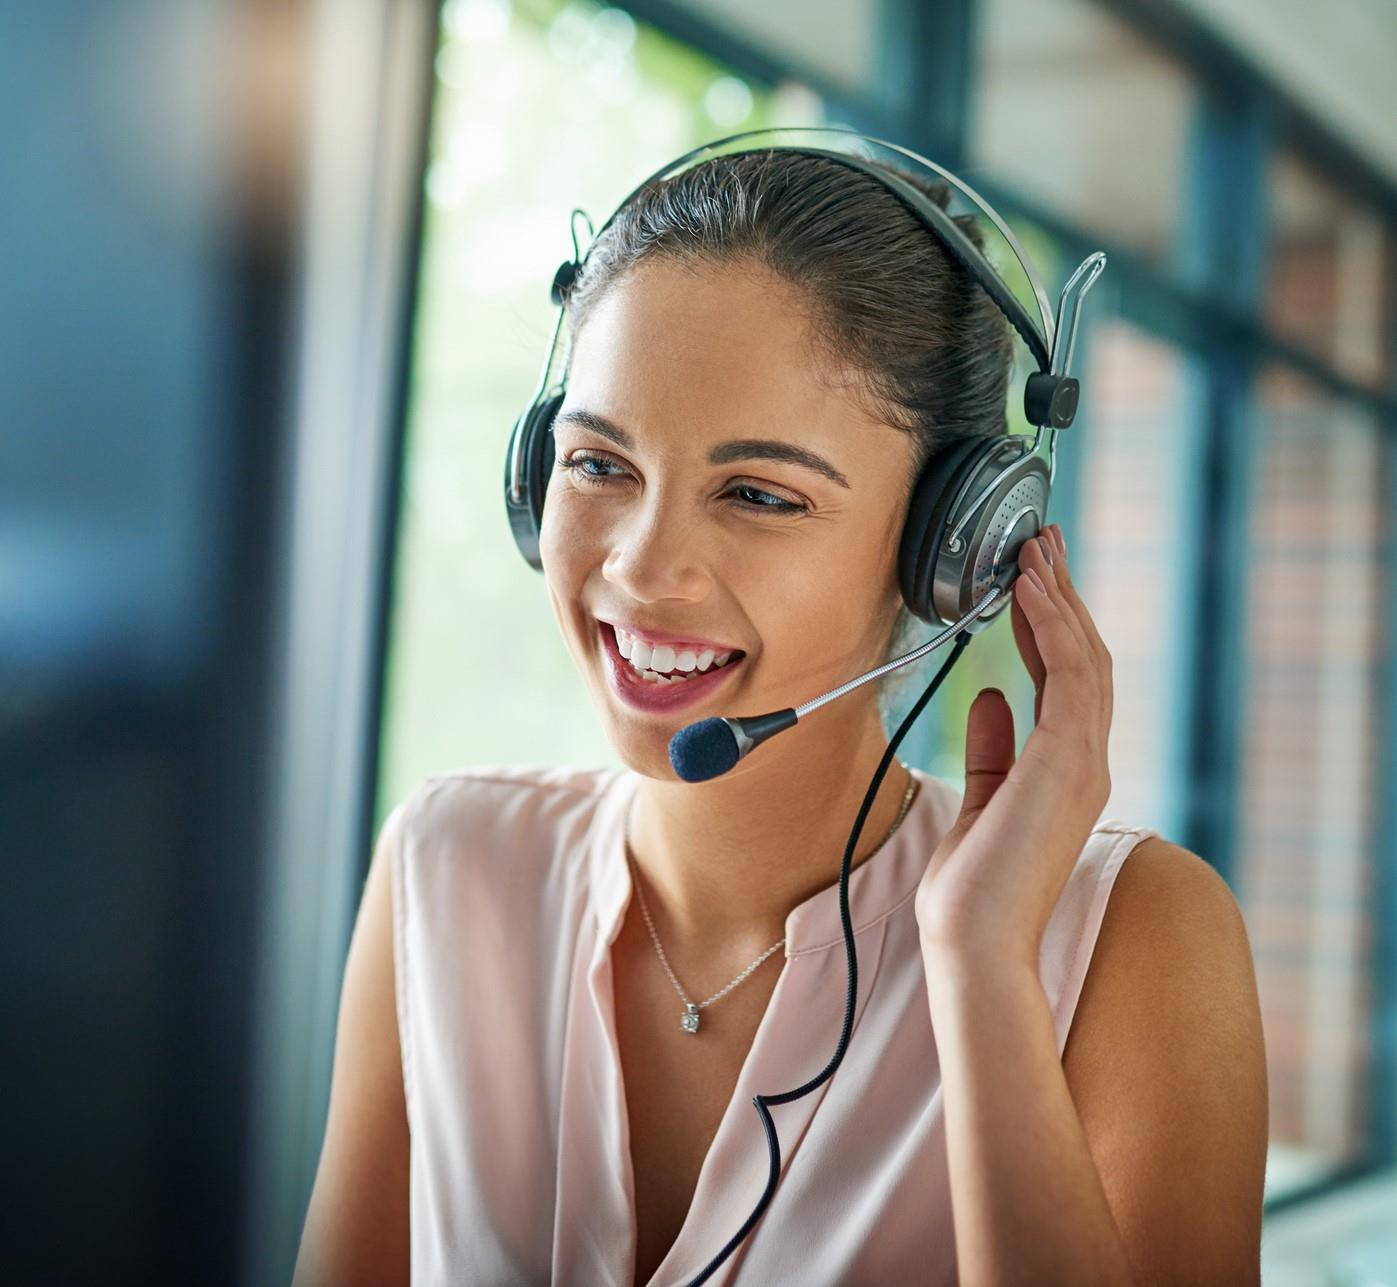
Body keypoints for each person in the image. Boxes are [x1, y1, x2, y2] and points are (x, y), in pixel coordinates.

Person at [294, 149, 1268, 1286]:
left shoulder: (1133, 938)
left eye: (758, 494)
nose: (643, 568)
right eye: (597, 462)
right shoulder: (448, 863)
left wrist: (982, 964)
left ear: (952, 548)